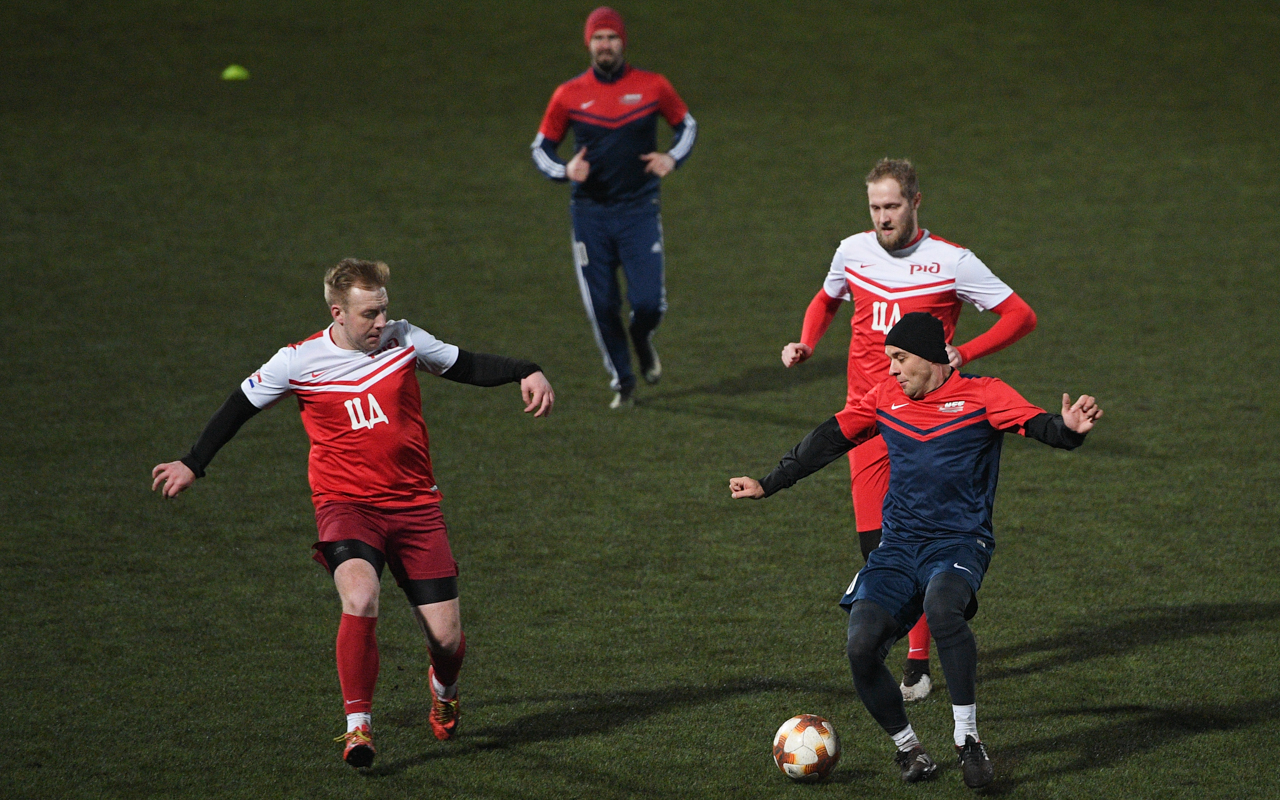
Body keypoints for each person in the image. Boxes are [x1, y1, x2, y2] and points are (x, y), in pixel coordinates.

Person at [150, 259, 555, 769]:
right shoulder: (297, 361)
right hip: (346, 506)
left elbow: (467, 366)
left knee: (447, 641)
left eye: (383, 310)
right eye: (369, 314)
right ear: (337, 313)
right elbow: (238, 407)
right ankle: (358, 726)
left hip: (415, 507)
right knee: (361, 596)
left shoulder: (405, 340)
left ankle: (444, 688)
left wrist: (525, 369)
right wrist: (193, 463)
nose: (381, 322)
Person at [733, 312, 1101, 789]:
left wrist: (1069, 429)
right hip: (899, 547)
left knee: (943, 609)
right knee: (861, 646)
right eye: (889, 359)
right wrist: (769, 483)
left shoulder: (984, 395)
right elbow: (829, 438)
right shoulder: (885, 398)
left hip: (959, 541)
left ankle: (968, 739)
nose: (891, 369)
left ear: (930, 357)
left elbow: (1042, 426)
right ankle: (909, 749)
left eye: (900, 358)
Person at [779, 158, 1038, 700]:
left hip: (927, 422)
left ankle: (917, 662)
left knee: (924, 544)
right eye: (875, 207)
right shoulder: (852, 251)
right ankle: (898, 644)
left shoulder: (952, 261)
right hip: (867, 419)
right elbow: (827, 299)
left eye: (892, 206)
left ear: (915, 202)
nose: (883, 218)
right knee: (877, 548)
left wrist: (964, 352)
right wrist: (807, 341)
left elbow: (1020, 316)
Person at [531, 6, 697, 408]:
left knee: (648, 304)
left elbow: (687, 125)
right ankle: (624, 381)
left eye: (611, 37)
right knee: (602, 305)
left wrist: (672, 158)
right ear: (588, 44)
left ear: (623, 42)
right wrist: (565, 170)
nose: (605, 45)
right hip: (590, 215)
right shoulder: (569, 94)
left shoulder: (653, 86)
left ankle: (641, 338)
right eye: (598, 38)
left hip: (639, 211)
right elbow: (541, 148)